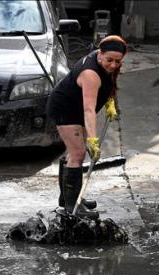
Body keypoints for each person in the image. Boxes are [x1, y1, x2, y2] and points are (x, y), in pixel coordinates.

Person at [47, 35, 128, 217]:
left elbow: (110, 81)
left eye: (118, 61)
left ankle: (69, 198)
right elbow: (89, 110)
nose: (113, 65)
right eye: (109, 60)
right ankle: (72, 208)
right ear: (100, 54)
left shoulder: (107, 61)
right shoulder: (90, 74)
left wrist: (110, 101)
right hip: (65, 108)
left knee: (75, 152)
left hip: (75, 106)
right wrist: (93, 140)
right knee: (78, 153)